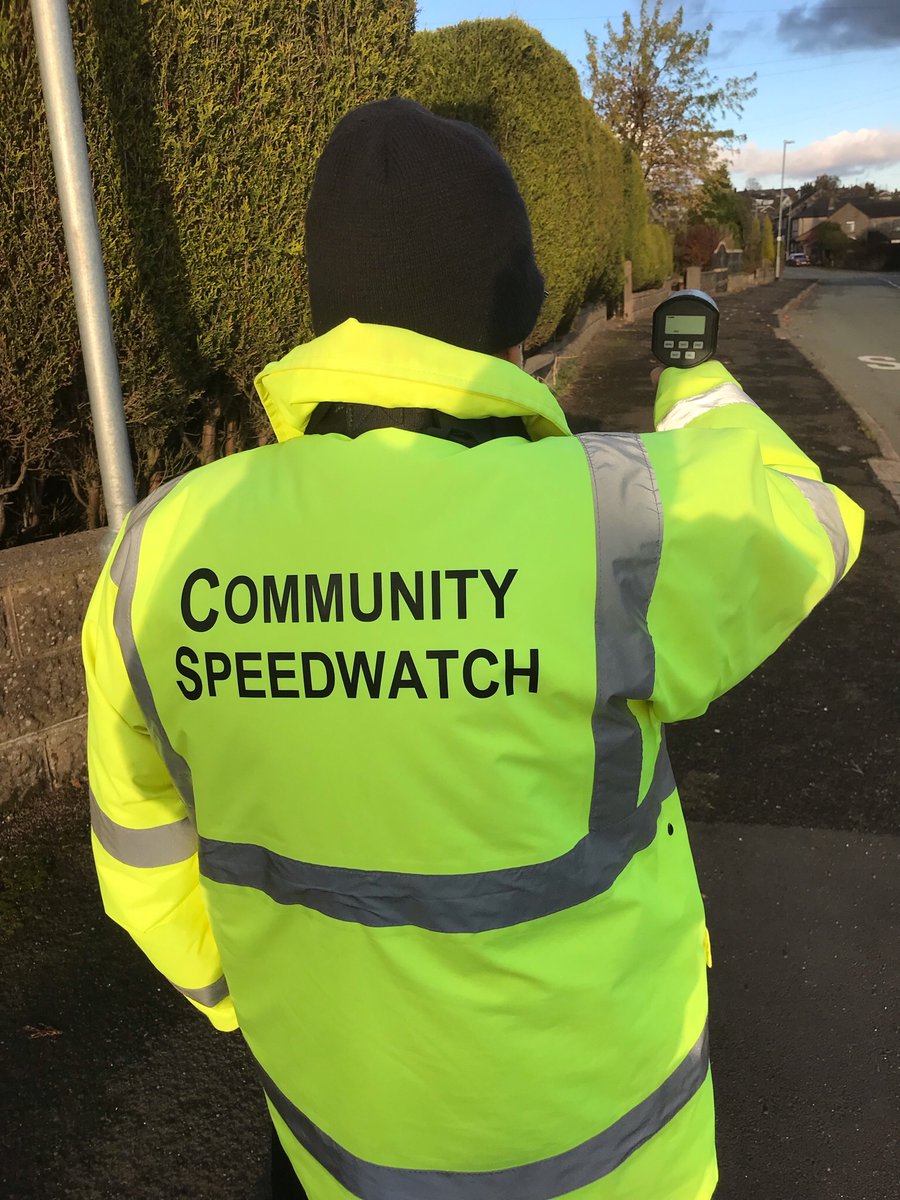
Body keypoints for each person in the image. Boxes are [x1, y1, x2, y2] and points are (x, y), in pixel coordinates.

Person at [82, 98, 864, 1200]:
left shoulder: (158, 550)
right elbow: (803, 509)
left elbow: (141, 849)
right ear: (517, 317)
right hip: (612, 1166)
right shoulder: (619, 519)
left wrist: (242, 993)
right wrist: (694, 383)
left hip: (332, 1149)